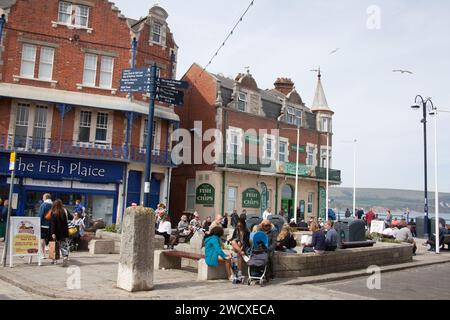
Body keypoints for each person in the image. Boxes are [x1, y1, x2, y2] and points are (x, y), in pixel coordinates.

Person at [49, 199, 70, 267]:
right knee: (63, 246)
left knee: (54, 246)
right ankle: (65, 257)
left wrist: (52, 233)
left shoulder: (53, 212)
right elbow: (71, 217)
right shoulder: (65, 211)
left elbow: (53, 224)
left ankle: (54, 260)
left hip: (56, 232)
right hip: (64, 232)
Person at [38, 194, 53, 258]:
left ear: (45, 198)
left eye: (43, 197)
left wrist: (38, 223)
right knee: (51, 240)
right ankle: (52, 255)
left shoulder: (43, 205)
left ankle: (43, 254)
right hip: (51, 226)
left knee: (42, 239)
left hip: (43, 225)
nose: (42, 198)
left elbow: (40, 215)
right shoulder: (53, 205)